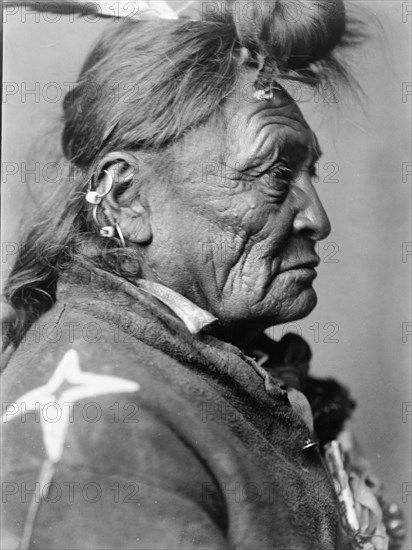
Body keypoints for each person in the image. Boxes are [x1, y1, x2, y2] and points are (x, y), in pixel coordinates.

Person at [1, 1, 406, 549]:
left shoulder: (236, 367)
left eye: (309, 172)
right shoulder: (99, 432)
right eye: (273, 174)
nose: (318, 219)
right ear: (125, 198)